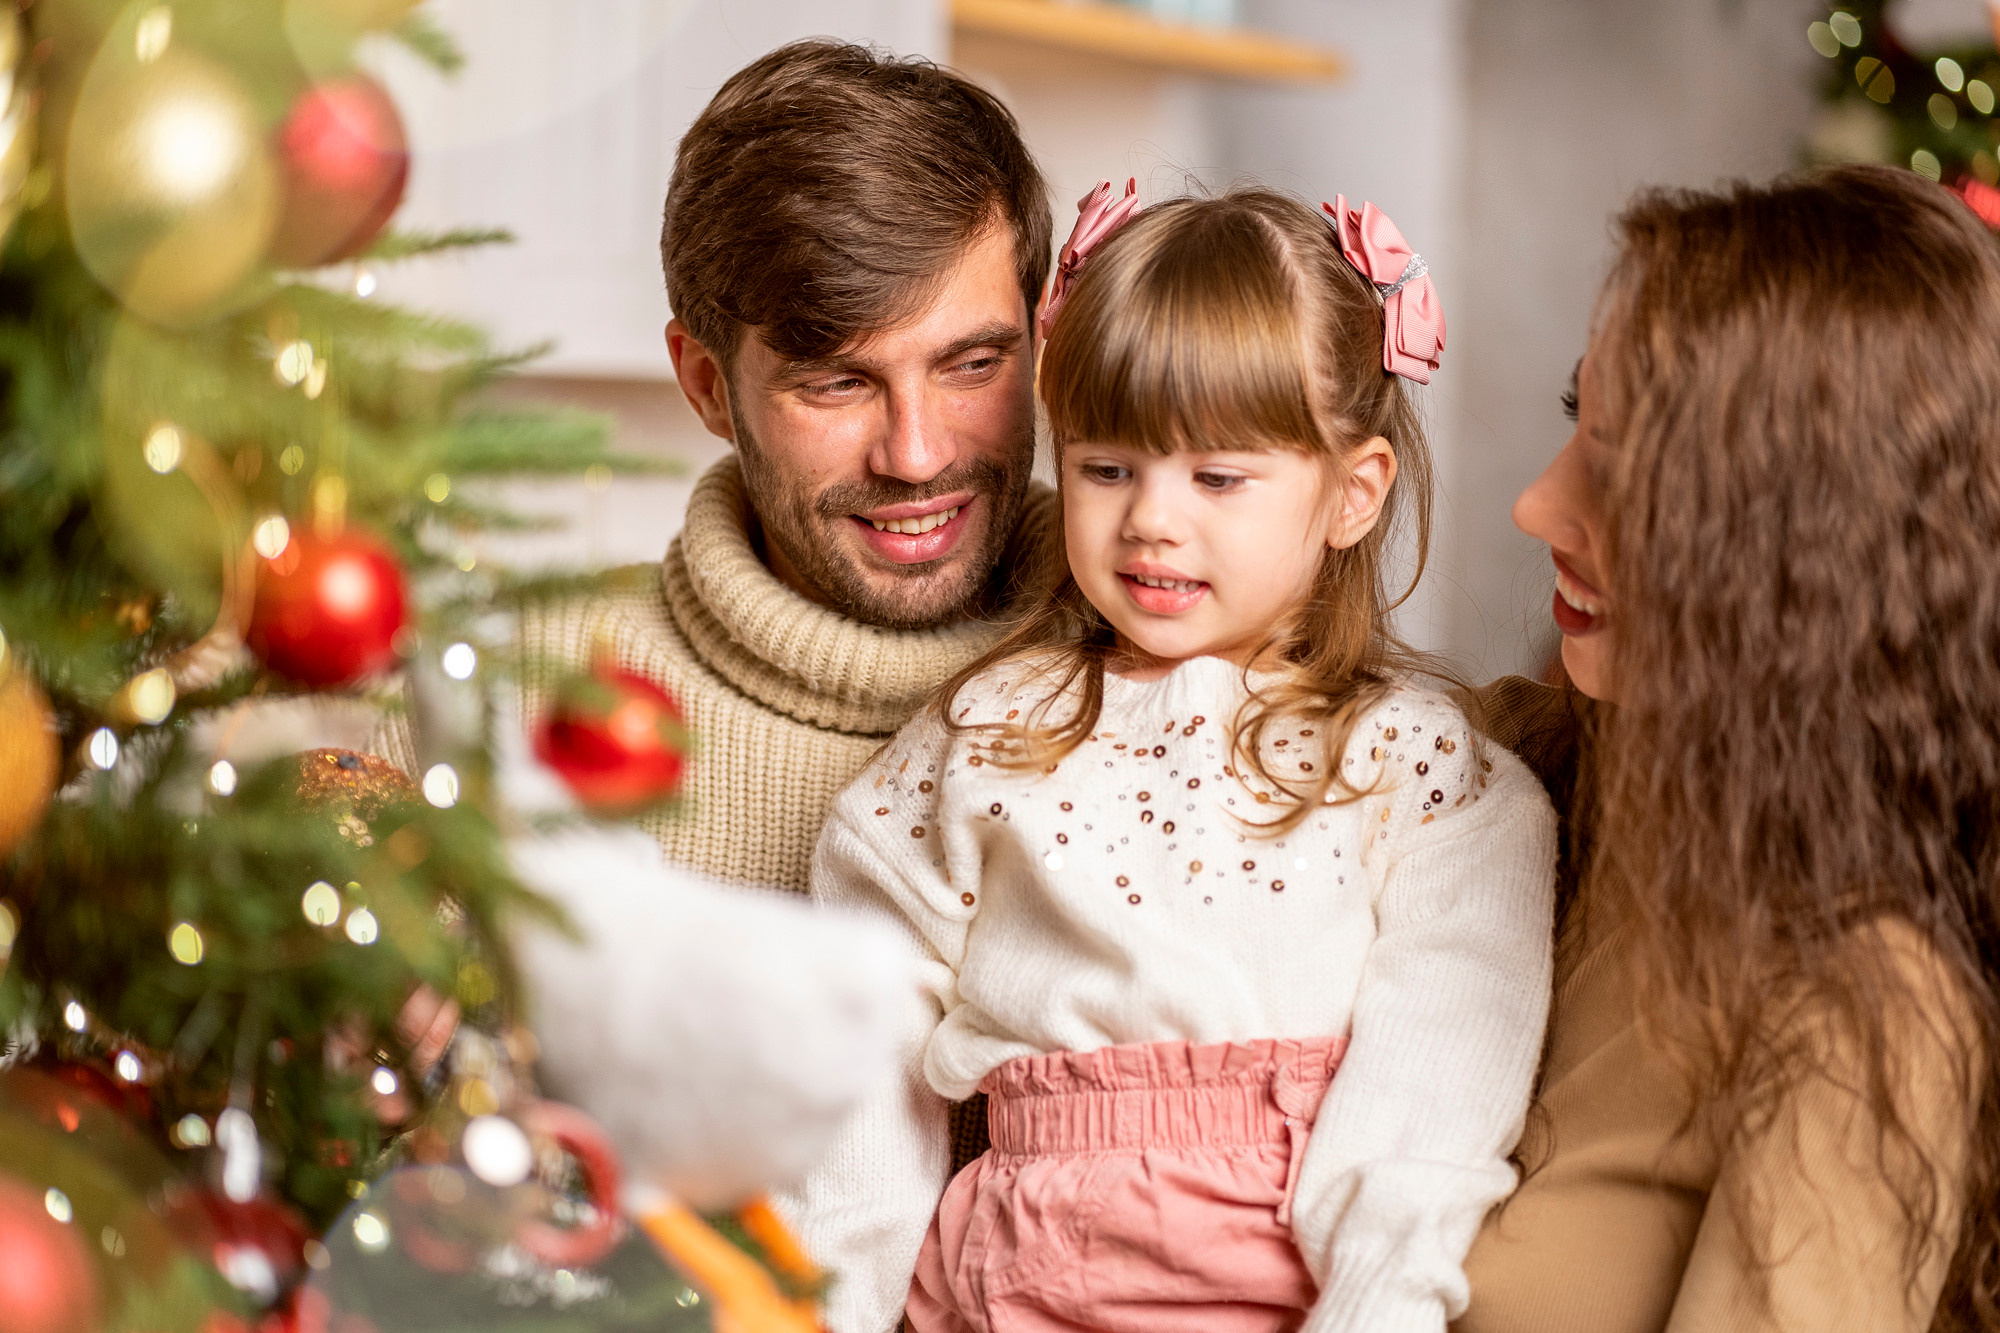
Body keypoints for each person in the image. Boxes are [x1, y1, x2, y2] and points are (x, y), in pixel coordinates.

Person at [785, 185, 1558, 1333]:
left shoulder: (1418, 766)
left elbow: (1433, 1098)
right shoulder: (983, 735)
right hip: (1009, 1282)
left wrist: (1372, 1313)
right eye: (1107, 469)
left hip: (1284, 1287)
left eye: (1216, 478)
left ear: (1351, 495)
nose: (1151, 519)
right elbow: (855, 1060)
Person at [1457, 165, 1999, 1332]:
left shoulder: (1865, 1018)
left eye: (1626, 468)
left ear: (1796, 545)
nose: (1537, 506)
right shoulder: (1523, 770)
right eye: (1574, 424)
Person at [509, 40, 1056, 893]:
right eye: (839, 383)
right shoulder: (518, 697)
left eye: (972, 366)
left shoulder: (1183, 653)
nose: (917, 456)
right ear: (708, 386)